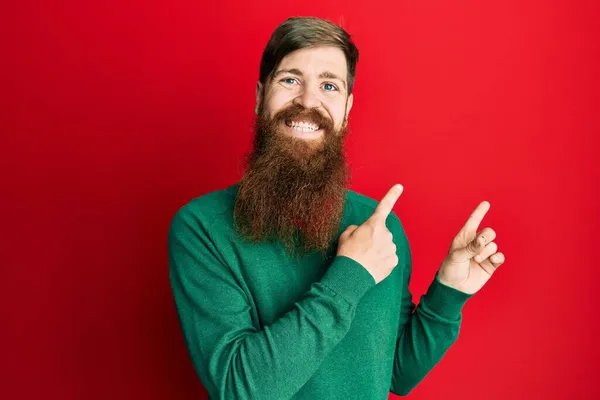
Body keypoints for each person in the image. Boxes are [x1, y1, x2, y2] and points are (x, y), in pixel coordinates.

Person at [168, 16, 505, 400]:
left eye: (329, 85)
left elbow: (397, 374)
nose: (308, 101)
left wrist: (449, 293)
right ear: (260, 96)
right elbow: (241, 389)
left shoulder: (379, 227)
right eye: (290, 80)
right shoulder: (202, 228)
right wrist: (351, 275)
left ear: (347, 108)